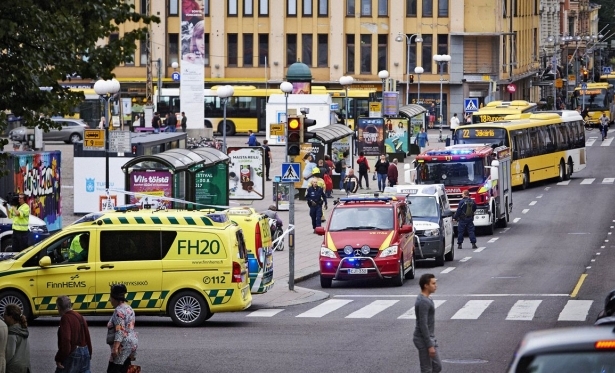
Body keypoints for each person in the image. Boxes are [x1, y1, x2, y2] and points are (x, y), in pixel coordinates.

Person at [55, 295, 93, 373]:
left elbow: (66, 340)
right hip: (85, 352)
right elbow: (87, 337)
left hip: (74, 353)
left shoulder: (65, 318)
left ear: (59, 307)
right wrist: (89, 353)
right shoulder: (80, 317)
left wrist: (59, 358)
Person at [413, 273, 442, 373]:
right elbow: (423, 324)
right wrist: (429, 345)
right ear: (426, 285)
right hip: (423, 339)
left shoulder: (426, 299)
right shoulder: (423, 301)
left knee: (437, 366)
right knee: (427, 369)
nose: (436, 286)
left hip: (430, 337)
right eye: (433, 283)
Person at [107, 284, 138, 373]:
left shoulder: (118, 311)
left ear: (114, 298)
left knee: (114, 370)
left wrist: (115, 348)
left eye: (110, 297)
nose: (110, 300)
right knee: (125, 368)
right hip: (131, 343)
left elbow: (120, 330)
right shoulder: (129, 308)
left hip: (122, 346)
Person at [4, 304, 30, 373]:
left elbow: (9, 354)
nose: (3, 317)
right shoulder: (22, 328)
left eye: (5, 314)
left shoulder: (12, 332)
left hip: (14, 368)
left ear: (11, 317)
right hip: (25, 366)